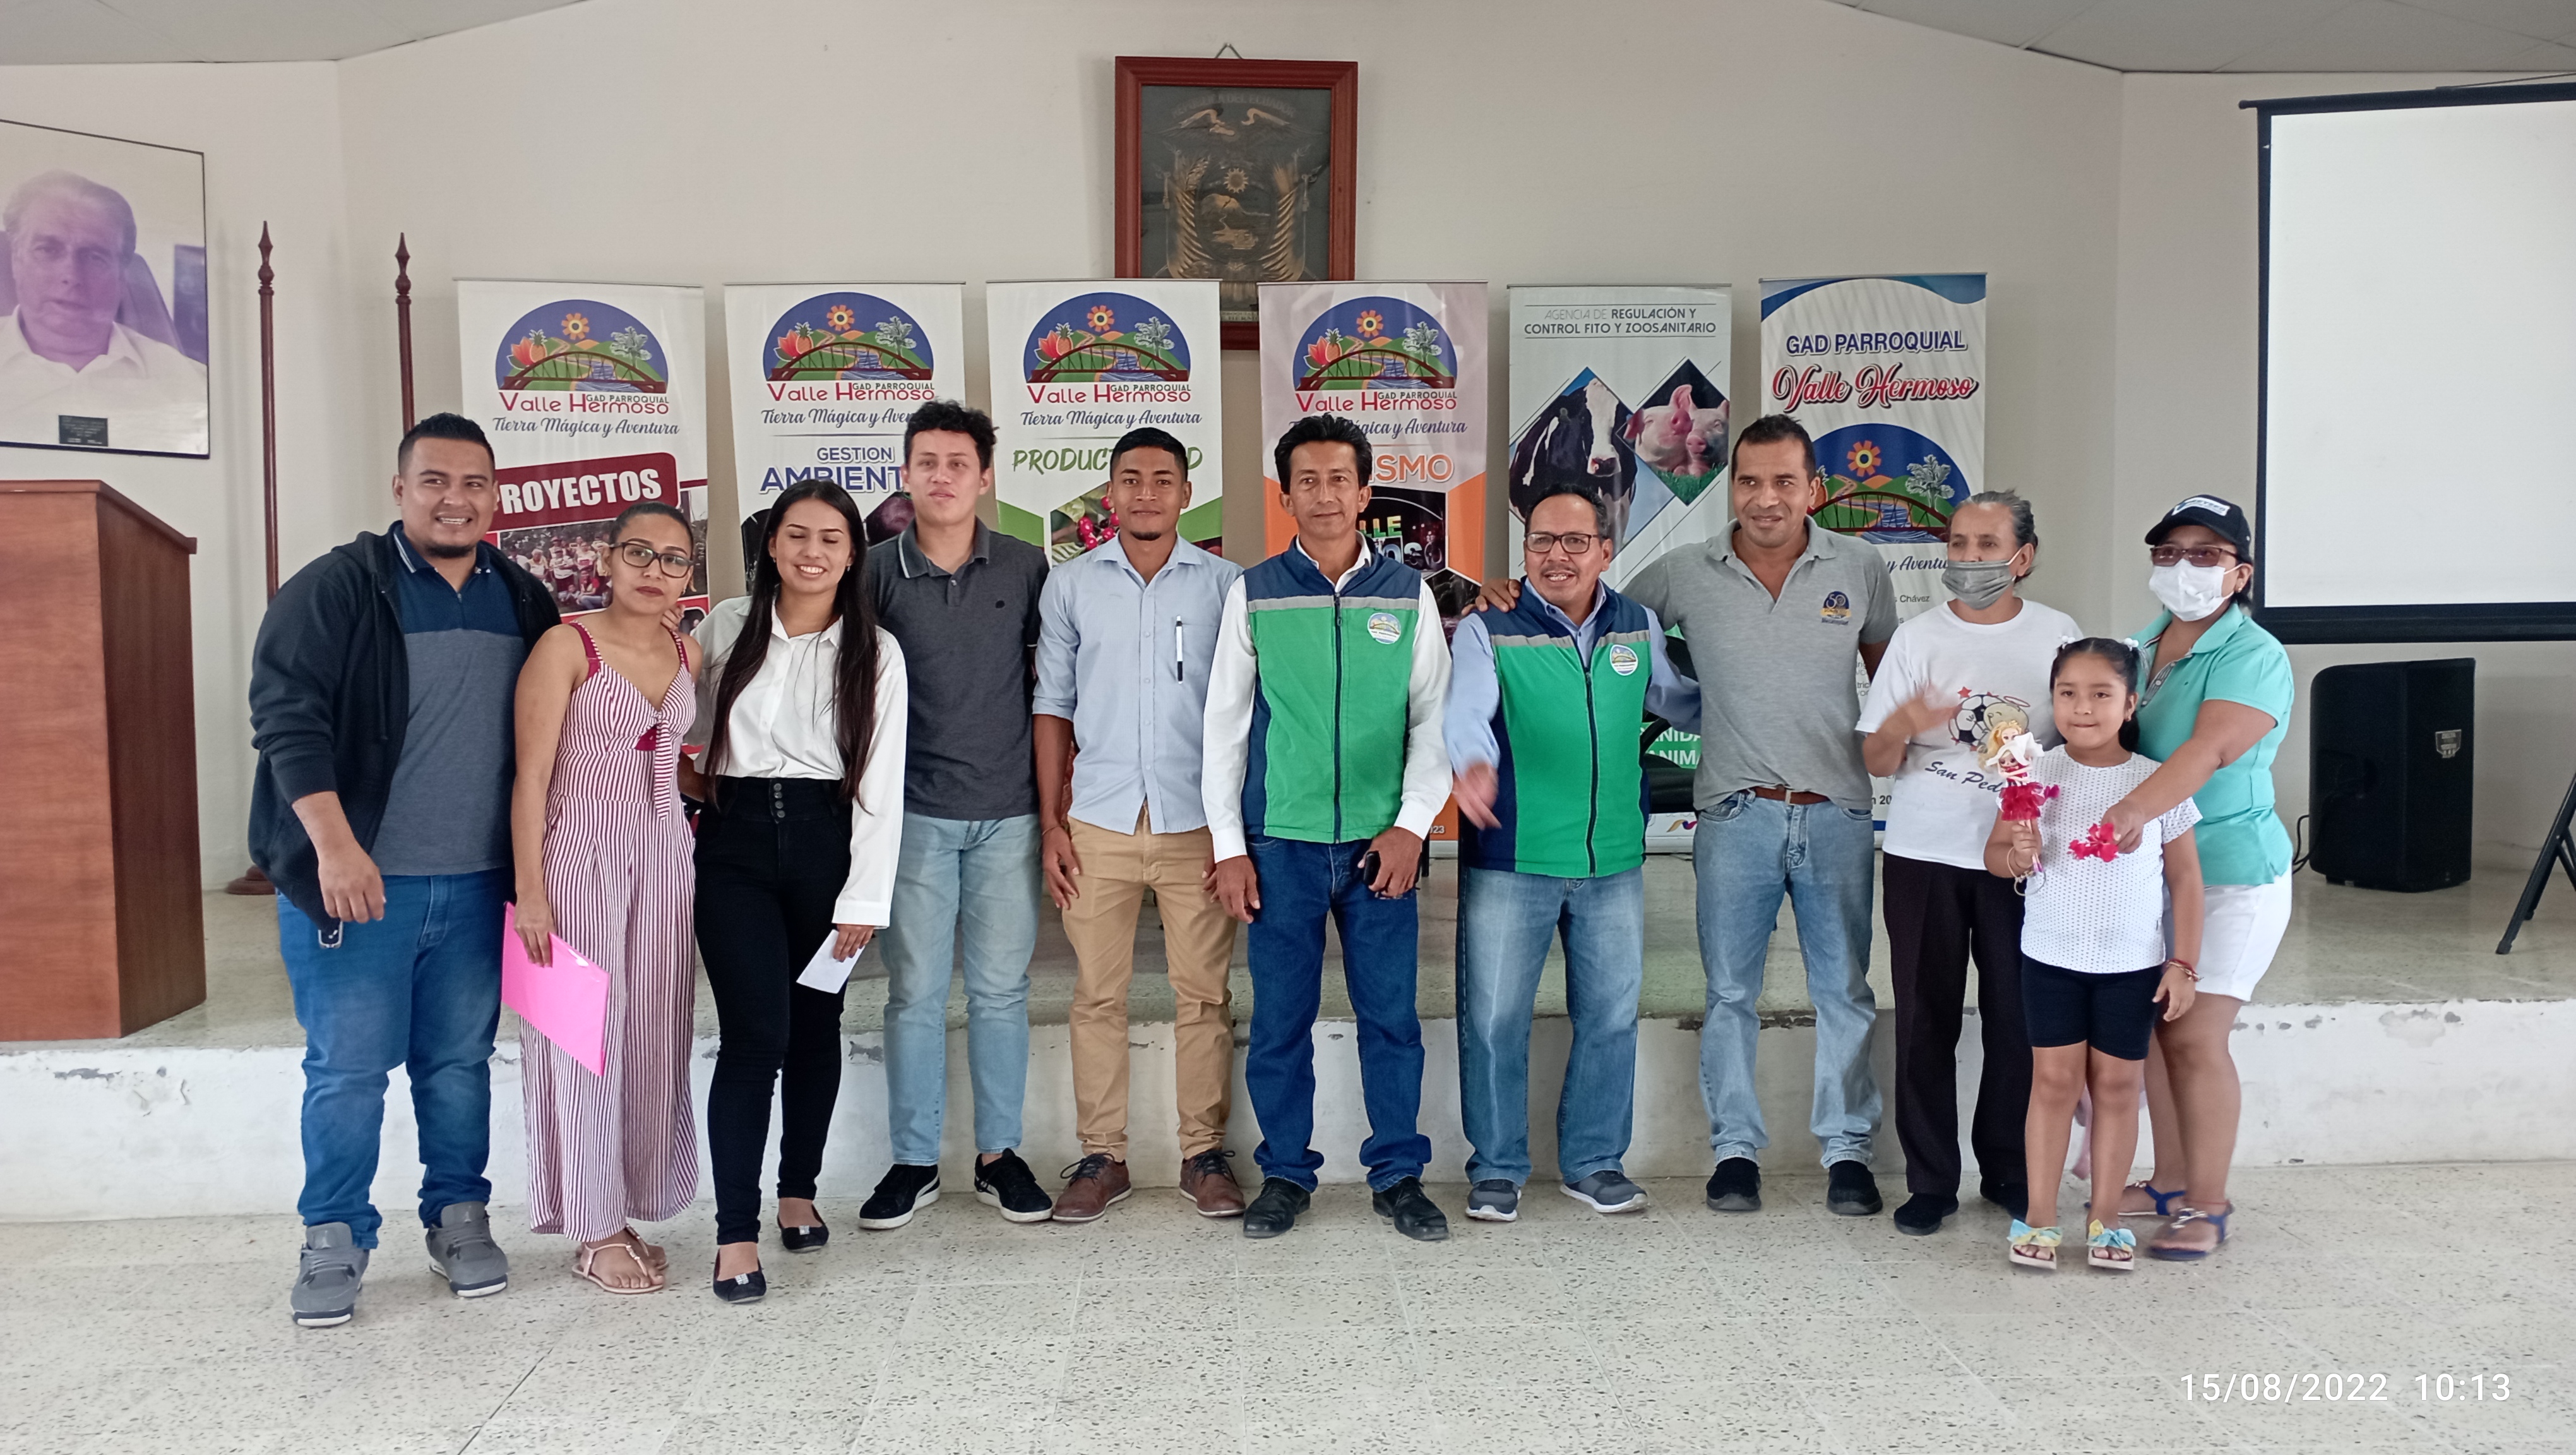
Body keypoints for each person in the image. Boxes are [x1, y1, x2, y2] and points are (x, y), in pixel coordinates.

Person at [1489, 414, 1897, 1217]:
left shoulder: (1861, 567)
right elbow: (1590, 615)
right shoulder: (1684, 572)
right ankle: (1734, 1152)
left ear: (1814, 490)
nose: (1766, 498)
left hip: (1838, 814)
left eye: (1784, 482)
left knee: (1844, 991)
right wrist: (1510, 592)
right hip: (1735, 814)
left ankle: (1847, 1151)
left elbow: (1891, 684)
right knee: (1730, 994)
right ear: (1731, 486)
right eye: (1749, 481)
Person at [247, 412, 560, 1327]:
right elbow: (286, 718)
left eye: (473, 483)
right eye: (434, 481)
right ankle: (333, 1235)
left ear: (496, 496)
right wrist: (336, 847)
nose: (454, 500)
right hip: (358, 887)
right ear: (399, 490)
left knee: (458, 1064)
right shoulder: (338, 587)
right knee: (347, 1071)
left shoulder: (523, 598)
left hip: (476, 887)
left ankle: (458, 1217)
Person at [1203, 414, 1455, 1242]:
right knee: (1280, 1023)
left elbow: (1434, 720)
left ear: (1365, 492)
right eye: (1306, 481)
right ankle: (1285, 1173)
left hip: (1382, 848)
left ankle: (1399, 1175)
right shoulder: (1255, 592)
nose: (1323, 495)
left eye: (1338, 479)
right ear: (1285, 496)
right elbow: (1224, 728)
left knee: (1392, 1020)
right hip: (1282, 845)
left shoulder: (1407, 594)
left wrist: (1412, 827)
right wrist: (1231, 848)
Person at [1447, 481, 1698, 1223]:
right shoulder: (1489, 627)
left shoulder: (1636, 625)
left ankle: (1594, 1162)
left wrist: (1749, 702)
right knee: (1494, 1020)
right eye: (1541, 541)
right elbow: (1466, 712)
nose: (1557, 556)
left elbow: (1677, 699)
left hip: (1613, 859)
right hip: (1513, 859)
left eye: (1575, 542)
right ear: (1525, 550)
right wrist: (1472, 763)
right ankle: (1497, 1167)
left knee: (1611, 1018)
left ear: (1605, 550)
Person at [686, 478, 905, 1302]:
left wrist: (864, 900)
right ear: (773, 544)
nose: (812, 552)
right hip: (734, 845)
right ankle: (734, 1234)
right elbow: (675, 729)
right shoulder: (724, 627)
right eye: (797, 535)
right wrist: (691, 785)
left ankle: (798, 1191)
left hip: (827, 846)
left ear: (853, 556)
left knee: (817, 1026)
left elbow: (881, 782)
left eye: (831, 539)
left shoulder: (876, 652)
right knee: (755, 1037)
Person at [1034, 427, 1248, 1222]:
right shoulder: (1070, 585)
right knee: (1097, 995)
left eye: (1163, 479)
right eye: (1131, 478)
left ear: (1187, 494)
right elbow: (1052, 706)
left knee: (1205, 995)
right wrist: (1052, 825)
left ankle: (1204, 1154)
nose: (1147, 492)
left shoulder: (1228, 585)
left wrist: (1235, 835)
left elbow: (1247, 711)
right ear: (1110, 492)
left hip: (1199, 823)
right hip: (1098, 820)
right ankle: (1103, 1157)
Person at [1856, 491, 2077, 1235]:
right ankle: (1930, 1181)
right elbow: (1876, 758)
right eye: (1958, 544)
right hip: (1925, 854)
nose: (1970, 558)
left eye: (1987, 545)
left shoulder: (2058, 634)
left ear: (2024, 556)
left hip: (2022, 856)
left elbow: (2082, 738)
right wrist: (1905, 722)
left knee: (2018, 1018)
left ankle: (2008, 1169)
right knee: (1925, 1020)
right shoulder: (1917, 637)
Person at [860, 401, 1056, 1230]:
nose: (941, 477)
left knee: (1002, 992)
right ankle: (914, 1161)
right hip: (913, 817)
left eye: (958, 463)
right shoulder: (870, 571)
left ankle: (998, 1155)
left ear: (985, 476)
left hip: (1009, 814)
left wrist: (1055, 812)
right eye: (927, 462)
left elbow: (1053, 692)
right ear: (906, 473)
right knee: (913, 994)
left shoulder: (1027, 566)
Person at [506, 501, 701, 1295]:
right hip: (577, 856)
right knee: (577, 1037)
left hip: (665, 859)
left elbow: (677, 765)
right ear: (608, 561)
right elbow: (530, 778)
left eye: (674, 559)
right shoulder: (566, 645)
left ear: (689, 575)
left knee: (653, 1032)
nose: (655, 571)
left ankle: (629, 1203)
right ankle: (593, 1226)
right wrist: (530, 892)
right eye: (639, 553)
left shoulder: (688, 653)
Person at [2097, 496, 2295, 1260]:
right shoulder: (2137, 647)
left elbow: (2206, 751)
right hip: (2151, 874)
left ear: (2241, 573)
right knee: (2155, 1030)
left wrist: (2125, 814)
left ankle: (2208, 1205)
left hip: (2231, 876)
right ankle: (2171, 1182)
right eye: (2170, 552)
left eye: (2207, 555)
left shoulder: (2255, 655)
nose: (2185, 567)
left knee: (2196, 1036)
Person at [1986, 639, 2203, 1272]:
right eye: (2068, 694)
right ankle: (2040, 1217)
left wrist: (2183, 964)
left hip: (2130, 968)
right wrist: (2016, 856)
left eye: (2101, 694)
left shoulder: (2157, 783)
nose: (2082, 707)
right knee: (2053, 1084)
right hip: (2050, 960)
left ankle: (2107, 1218)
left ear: (2130, 704)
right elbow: (1995, 856)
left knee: (2117, 1087)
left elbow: (2186, 879)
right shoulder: (2032, 774)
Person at [0, 170, 206, 455]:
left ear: (122, 275)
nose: (71, 275)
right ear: (16, 260)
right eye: (47, 250)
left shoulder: (192, 386)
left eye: (94, 257)